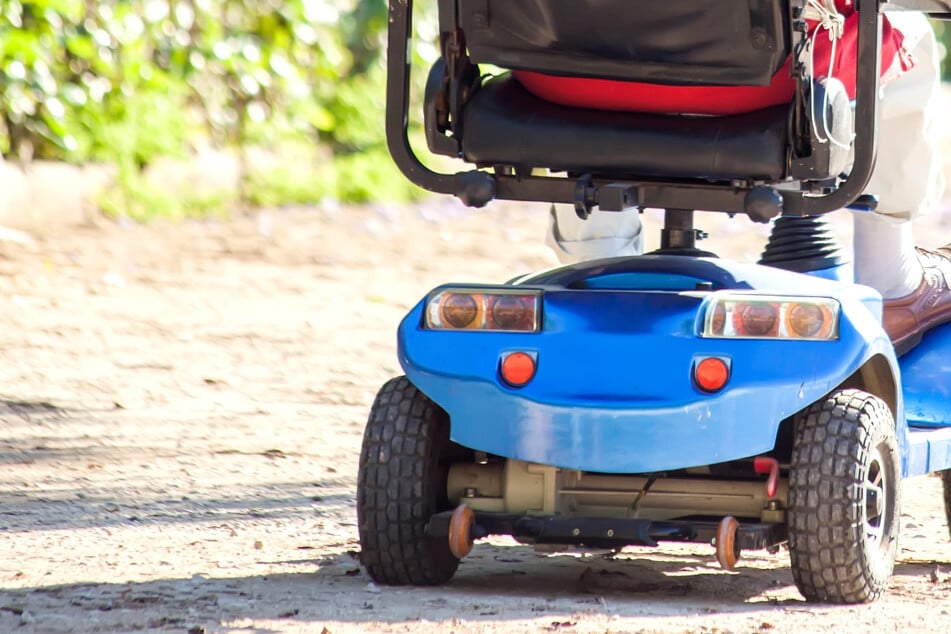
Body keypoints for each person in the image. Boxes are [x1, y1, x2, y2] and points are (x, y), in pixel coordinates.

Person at [519, 3, 949, 353]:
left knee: (589, 35)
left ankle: (600, 268)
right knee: (906, 31)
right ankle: (889, 282)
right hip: (752, 80)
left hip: (556, 68)